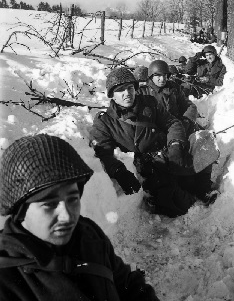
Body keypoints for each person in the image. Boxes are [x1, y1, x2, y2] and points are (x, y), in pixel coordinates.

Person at [0, 134, 160, 301]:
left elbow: (127, 284)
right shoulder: (6, 280)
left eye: (72, 199)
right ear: (20, 210)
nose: (67, 215)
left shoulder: (88, 234)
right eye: (49, 204)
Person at [90, 67, 216, 218]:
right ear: (112, 95)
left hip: (167, 149)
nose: (127, 94)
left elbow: (172, 123)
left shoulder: (149, 104)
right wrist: (119, 171)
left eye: (130, 88)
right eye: (121, 90)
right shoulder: (105, 121)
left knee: (202, 146)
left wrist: (175, 144)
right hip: (150, 162)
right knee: (178, 206)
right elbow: (103, 151)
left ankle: (204, 188)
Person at [139, 60, 199, 137]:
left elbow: (189, 105)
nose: (162, 79)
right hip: (157, 133)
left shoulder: (173, 87)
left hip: (179, 127)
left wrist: (186, 121)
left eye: (165, 75)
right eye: (158, 76)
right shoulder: (143, 92)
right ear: (151, 76)